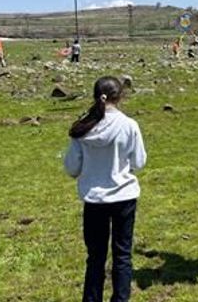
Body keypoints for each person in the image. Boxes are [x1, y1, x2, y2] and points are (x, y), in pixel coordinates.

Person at [64, 77, 147, 302]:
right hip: (124, 196)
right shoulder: (129, 125)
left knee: (95, 257)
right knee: (122, 255)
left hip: (94, 199)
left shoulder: (83, 128)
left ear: (95, 96)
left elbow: (72, 168)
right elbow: (139, 161)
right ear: (119, 97)